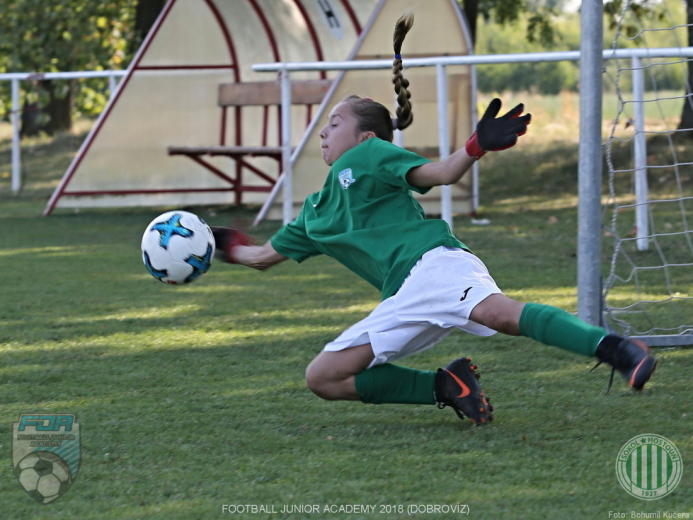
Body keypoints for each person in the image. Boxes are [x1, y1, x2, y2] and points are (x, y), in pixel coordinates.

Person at [211, 13, 657, 426]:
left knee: (501, 314)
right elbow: (260, 257)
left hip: (432, 265)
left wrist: (475, 146)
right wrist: (211, 244)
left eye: (335, 122)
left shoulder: (370, 155)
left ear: (365, 136)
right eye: (324, 125)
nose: (324, 131)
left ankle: (620, 350)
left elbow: (439, 173)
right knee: (324, 377)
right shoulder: (312, 214)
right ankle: (449, 385)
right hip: (404, 296)